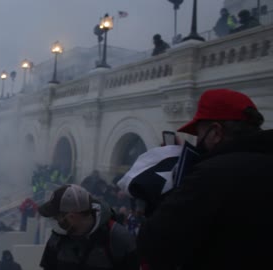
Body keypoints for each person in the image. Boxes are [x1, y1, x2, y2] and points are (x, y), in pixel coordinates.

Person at [138, 89, 273, 270]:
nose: (197, 141)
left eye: (199, 134)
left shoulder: (210, 175)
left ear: (216, 132)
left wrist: (166, 182)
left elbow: (154, 242)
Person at [39, 184, 139, 270]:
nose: (55, 221)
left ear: (72, 217)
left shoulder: (118, 238)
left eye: (57, 217)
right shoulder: (58, 237)